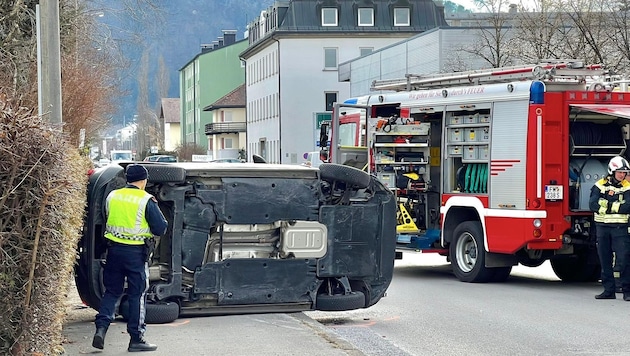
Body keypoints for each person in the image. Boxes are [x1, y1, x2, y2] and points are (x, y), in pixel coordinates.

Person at [92, 164, 168, 352]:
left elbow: (106, 218)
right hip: (135, 253)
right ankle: (136, 338)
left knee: (111, 291)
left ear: (127, 179)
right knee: (137, 295)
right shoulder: (145, 200)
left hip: (114, 252)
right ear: (143, 180)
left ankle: (101, 329)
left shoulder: (113, 196)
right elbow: (160, 228)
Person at [590, 156, 630, 300]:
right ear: (612, 171)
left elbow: (628, 206)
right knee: (604, 259)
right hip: (602, 228)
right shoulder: (599, 185)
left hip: (620, 228)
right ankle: (608, 291)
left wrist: (606, 204)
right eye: (620, 172)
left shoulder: (627, 187)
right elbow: (593, 205)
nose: (622, 175)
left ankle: (627, 292)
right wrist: (616, 206)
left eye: (624, 172)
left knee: (624, 259)